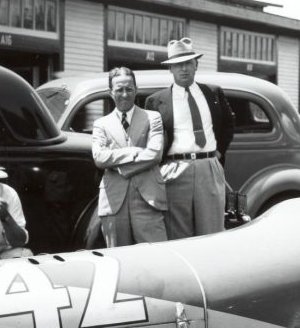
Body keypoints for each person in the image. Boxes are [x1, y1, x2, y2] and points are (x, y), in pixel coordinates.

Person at [144, 37, 235, 239]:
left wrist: (219, 152)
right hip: (175, 169)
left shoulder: (213, 93)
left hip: (208, 167)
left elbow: (229, 124)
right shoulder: (156, 101)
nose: (183, 69)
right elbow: (151, 138)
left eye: (188, 63)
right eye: (178, 64)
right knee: (178, 234)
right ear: (170, 68)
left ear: (196, 65)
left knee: (212, 231)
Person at [91, 67, 167, 246]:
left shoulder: (152, 117)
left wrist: (119, 165)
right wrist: (132, 151)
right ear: (111, 92)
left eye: (129, 89)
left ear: (136, 90)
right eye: (119, 90)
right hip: (114, 201)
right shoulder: (101, 124)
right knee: (118, 256)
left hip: (148, 198)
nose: (124, 94)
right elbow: (99, 157)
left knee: (156, 254)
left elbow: (155, 153)